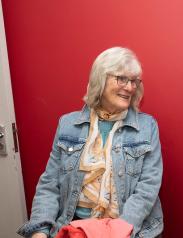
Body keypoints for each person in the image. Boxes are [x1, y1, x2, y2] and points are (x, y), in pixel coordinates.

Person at [17, 47, 163, 238]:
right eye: (122, 79)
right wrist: (40, 231)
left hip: (128, 230)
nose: (129, 87)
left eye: (134, 81)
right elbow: (50, 184)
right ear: (100, 80)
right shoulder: (68, 124)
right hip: (74, 229)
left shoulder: (147, 126)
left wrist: (118, 231)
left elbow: (148, 188)